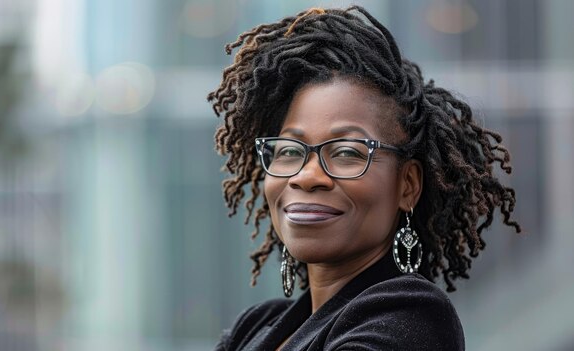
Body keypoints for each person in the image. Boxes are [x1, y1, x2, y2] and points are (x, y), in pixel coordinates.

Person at [207, 5, 521, 350]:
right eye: (289, 151)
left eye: (346, 153)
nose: (308, 176)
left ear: (408, 185)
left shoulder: (411, 318)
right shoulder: (254, 328)